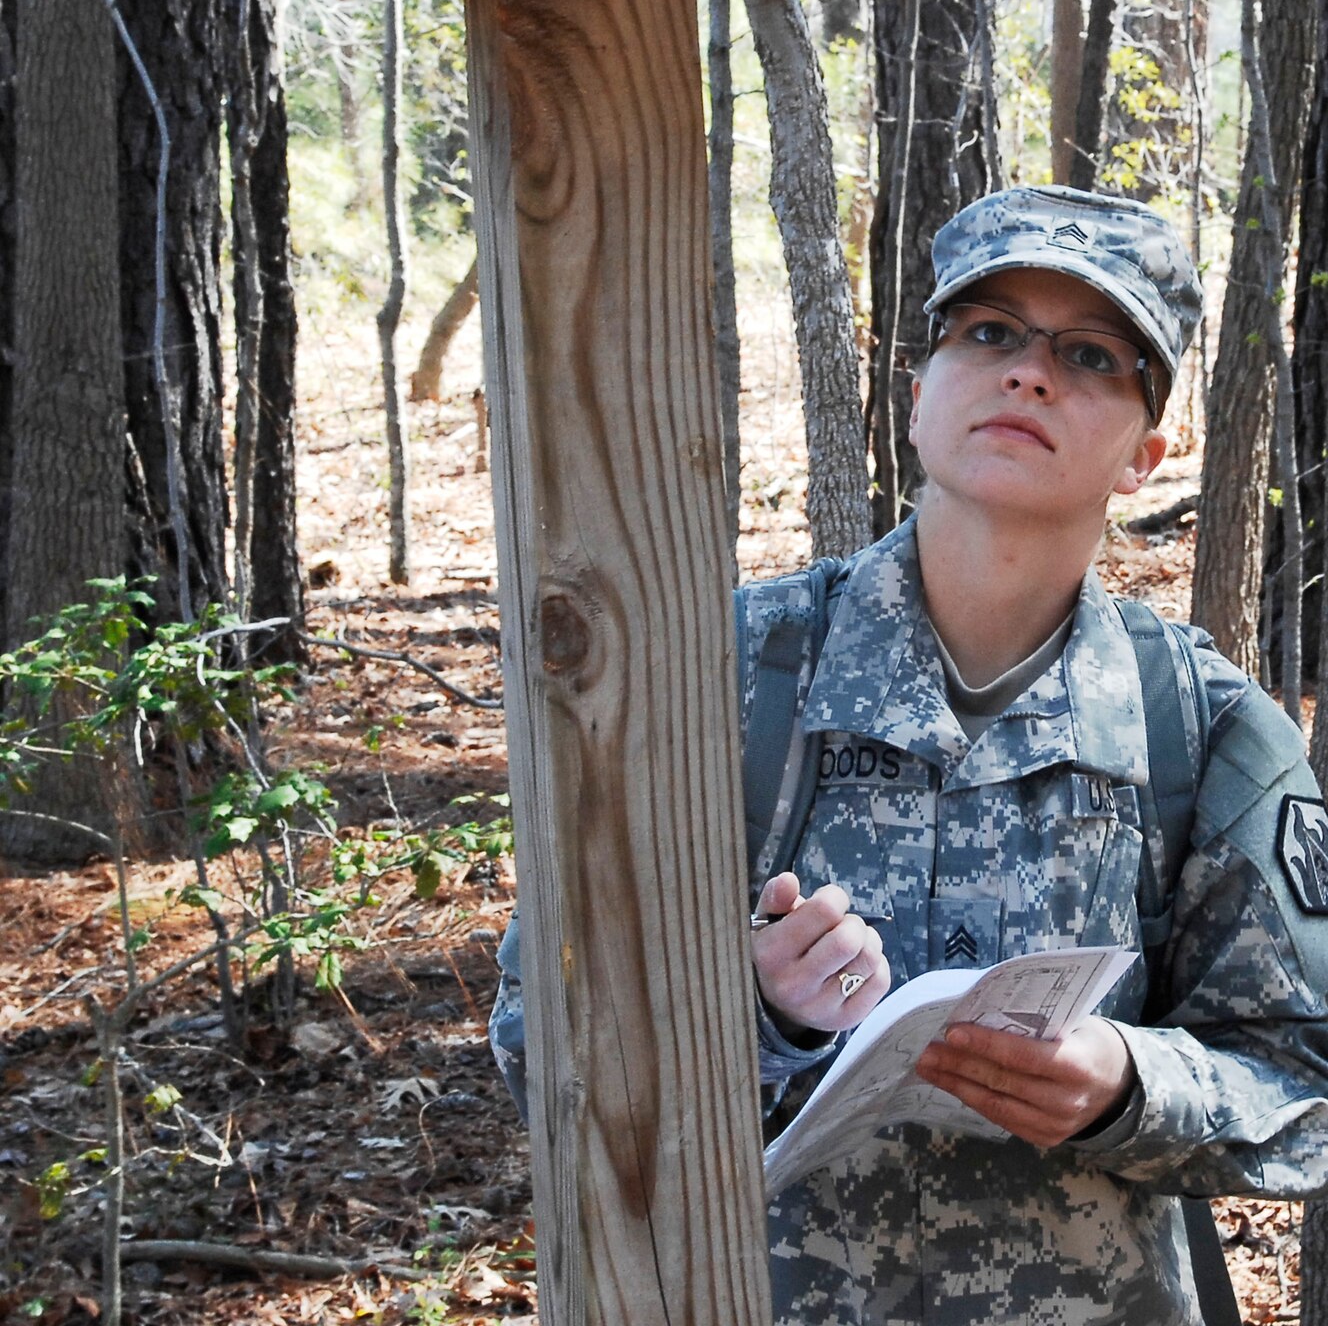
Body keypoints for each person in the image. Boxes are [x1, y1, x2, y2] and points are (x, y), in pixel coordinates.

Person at [489, 184, 1328, 1326]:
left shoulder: (1206, 726)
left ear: (1147, 450)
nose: (1026, 373)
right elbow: (537, 1030)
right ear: (919, 392)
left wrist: (1130, 1084)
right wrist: (753, 1010)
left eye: (1089, 355)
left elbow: (1303, 1080)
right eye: (986, 332)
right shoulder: (714, 676)